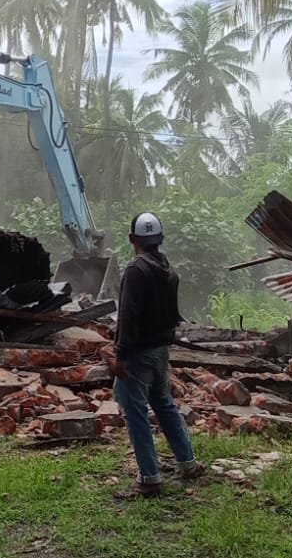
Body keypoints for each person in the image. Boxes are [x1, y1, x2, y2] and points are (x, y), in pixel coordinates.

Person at [111, 212, 203, 497]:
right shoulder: (168, 271)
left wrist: (120, 355)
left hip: (138, 354)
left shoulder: (136, 271)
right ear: (159, 239)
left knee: (136, 412)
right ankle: (188, 463)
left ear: (131, 239)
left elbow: (128, 317)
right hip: (161, 351)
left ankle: (149, 478)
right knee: (164, 404)